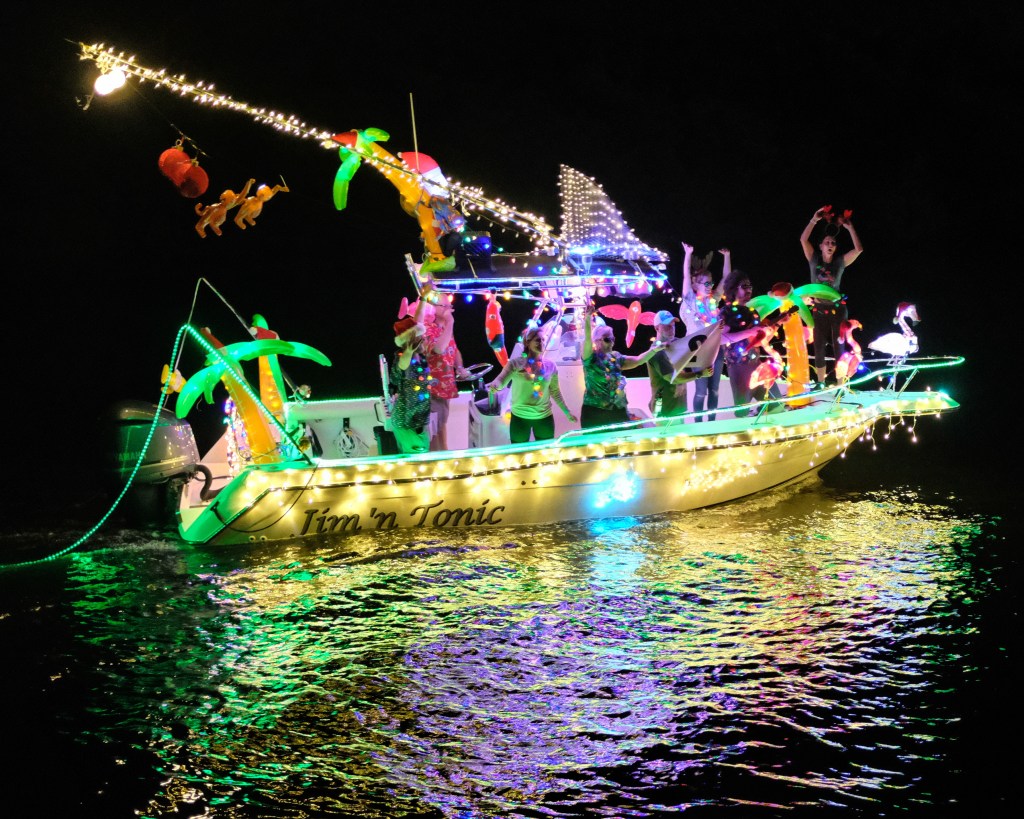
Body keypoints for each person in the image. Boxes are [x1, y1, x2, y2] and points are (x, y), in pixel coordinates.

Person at [799, 206, 864, 385]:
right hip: (818, 310)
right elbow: (803, 239)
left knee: (838, 346)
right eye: (827, 242)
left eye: (833, 243)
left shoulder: (839, 263)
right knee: (818, 346)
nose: (830, 245)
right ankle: (820, 383)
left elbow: (858, 249)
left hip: (837, 310)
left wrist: (850, 227)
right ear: (820, 246)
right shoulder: (813, 259)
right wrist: (814, 219)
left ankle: (840, 383)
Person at [718, 269, 793, 416]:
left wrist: (778, 324)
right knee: (741, 413)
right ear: (733, 289)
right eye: (744, 286)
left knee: (776, 405)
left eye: (749, 286)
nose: (749, 290)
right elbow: (720, 338)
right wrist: (749, 332)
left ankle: (759, 414)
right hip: (738, 367)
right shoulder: (726, 311)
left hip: (757, 365)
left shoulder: (753, 312)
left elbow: (759, 342)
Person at [486, 325, 577, 443]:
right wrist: (495, 386)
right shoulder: (515, 364)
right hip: (520, 418)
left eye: (543, 340)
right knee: (519, 455)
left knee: (546, 454)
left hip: (544, 418)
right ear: (528, 342)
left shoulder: (551, 366)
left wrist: (567, 412)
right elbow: (501, 380)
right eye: (538, 340)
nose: (542, 343)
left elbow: (555, 391)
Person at [580, 303, 665, 429]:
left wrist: (655, 350)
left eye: (613, 339)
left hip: (618, 410)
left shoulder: (616, 357)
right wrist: (587, 318)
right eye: (607, 339)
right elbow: (587, 340)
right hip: (595, 412)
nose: (612, 342)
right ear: (597, 341)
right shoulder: (590, 358)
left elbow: (637, 360)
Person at [679, 242, 728, 420]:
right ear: (696, 285)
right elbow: (685, 277)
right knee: (701, 391)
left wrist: (727, 257)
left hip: (716, 349)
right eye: (706, 283)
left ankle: (712, 423)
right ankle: (699, 423)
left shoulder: (713, 300)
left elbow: (726, 279)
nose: (709, 286)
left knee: (714, 390)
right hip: (698, 350)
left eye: (711, 283)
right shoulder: (691, 300)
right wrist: (688, 254)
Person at [422, 294, 470, 451]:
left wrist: (460, 367)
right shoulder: (427, 328)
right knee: (435, 432)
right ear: (434, 309)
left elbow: (454, 350)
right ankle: (437, 463)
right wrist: (450, 322)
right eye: (445, 306)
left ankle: (444, 455)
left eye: (450, 306)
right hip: (432, 390)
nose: (450, 309)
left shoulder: (445, 329)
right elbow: (438, 348)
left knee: (442, 426)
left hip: (446, 388)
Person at [389, 297, 434, 454]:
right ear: (410, 341)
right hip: (407, 423)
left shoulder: (419, 356)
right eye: (418, 337)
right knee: (417, 463)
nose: (423, 339)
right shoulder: (403, 357)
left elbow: (417, 322)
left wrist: (423, 298)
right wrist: (408, 351)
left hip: (416, 420)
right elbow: (402, 366)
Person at [647, 310, 710, 418]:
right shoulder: (657, 352)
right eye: (667, 326)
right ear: (657, 328)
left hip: (678, 407)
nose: (671, 329)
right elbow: (674, 379)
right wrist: (700, 374)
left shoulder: (678, 343)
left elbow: (696, 352)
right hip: (663, 410)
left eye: (673, 325)